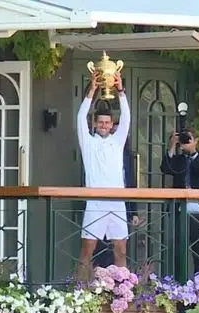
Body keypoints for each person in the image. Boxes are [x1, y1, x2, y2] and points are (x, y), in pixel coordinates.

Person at [76, 71, 130, 279]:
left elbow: (126, 119)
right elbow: (80, 117)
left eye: (107, 123)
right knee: (86, 252)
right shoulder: (88, 143)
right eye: (100, 122)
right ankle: (79, 292)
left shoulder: (117, 142)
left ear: (111, 124)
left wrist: (120, 91)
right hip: (95, 203)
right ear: (95, 124)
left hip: (117, 202)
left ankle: (124, 291)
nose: (104, 125)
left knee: (121, 251)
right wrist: (92, 90)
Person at [160, 128, 199, 274]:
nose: (185, 142)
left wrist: (191, 153)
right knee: (178, 252)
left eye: (188, 139)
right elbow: (165, 168)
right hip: (180, 212)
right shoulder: (178, 160)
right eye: (183, 139)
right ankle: (178, 284)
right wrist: (172, 146)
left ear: (196, 141)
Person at [93, 123, 141, 268]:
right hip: (98, 205)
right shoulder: (96, 150)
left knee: (120, 247)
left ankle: (120, 282)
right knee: (99, 246)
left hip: (121, 205)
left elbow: (130, 183)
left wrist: (134, 212)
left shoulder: (127, 156)